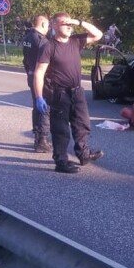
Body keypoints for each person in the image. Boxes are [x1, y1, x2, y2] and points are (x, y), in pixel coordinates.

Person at [33, 12, 104, 174]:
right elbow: (39, 73)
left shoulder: (76, 41)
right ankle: (61, 161)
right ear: (55, 26)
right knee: (61, 129)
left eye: (70, 24)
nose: (69, 26)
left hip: (77, 92)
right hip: (59, 94)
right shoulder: (48, 46)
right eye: (65, 23)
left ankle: (83, 154)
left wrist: (78, 21)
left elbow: (98, 35)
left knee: (82, 124)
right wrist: (38, 97)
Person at [22, 15, 52, 153]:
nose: (49, 28)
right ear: (43, 24)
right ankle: (42, 141)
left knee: (37, 106)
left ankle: (37, 136)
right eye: (48, 25)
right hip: (41, 78)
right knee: (44, 109)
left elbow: (25, 60)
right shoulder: (41, 40)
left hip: (31, 75)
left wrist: (29, 73)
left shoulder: (27, 37)